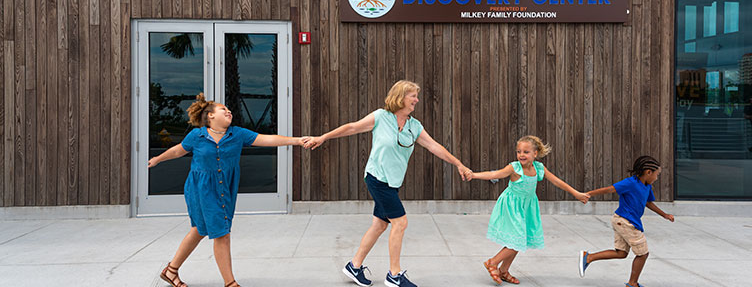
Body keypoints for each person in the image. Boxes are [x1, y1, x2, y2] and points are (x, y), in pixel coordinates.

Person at [303, 80, 472, 287]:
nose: (416, 100)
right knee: (400, 223)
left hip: (393, 182)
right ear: (400, 97)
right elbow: (352, 127)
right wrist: (323, 137)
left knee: (380, 224)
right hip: (377, 178)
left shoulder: (414, 126)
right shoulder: (381, 117)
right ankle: (394, 274)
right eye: (413, 96)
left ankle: (354, 266)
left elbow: (434, 146)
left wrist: (458, 164)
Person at [149, 93, 308, 287]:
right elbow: (178, 150)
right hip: (199, 189)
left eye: (229, 110)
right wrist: (157, 159)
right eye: (223, 109)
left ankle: (171, 271)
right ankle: (230, 283)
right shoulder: (196, 136)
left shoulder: (238, 134)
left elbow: (268, 139)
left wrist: (297, 141)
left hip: (223, 188)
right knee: (221, 233)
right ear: (210, 116)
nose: (229, 111)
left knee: (199, 230)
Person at [468, 135, 589, 285]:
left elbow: (557, 181)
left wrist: (576, 193)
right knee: (518, 240)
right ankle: (493, 262)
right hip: (512, 206)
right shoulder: (514, 168)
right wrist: (474, 175)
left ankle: (504, 270)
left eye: (526, 152)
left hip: (527, 207)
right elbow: (494, 174)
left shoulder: (539, 168)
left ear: (535, 154)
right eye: (519, 151)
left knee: (521, 239)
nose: (521, 155)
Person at [578, 155, 675, 287]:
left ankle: (588, 257)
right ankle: (632, 284)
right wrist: (588, 194)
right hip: (625, 222)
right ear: (648, 172)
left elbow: (648, 203)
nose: (657, 178)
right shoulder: (630, 183)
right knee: (643, 254)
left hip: (623, 221)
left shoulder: (647, 187)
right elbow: (610, 189)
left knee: (621, 253)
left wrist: (664, 214)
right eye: (656, 175)